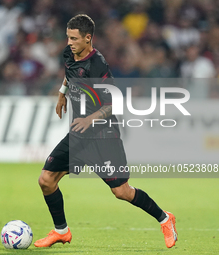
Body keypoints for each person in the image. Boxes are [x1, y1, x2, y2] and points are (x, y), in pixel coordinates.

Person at [34, 14, 178, 249]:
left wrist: (91, 118)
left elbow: (115, 103)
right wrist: (62, 93)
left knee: (121, 191)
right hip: (78, 136)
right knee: (46, 180)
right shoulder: (68, 54)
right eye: (68, 37)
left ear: (88, 38)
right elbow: (69, 74)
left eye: (74, 38)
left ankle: (165, 218)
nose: (69, 42)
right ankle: (61, 231)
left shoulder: (98, 65)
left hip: (104, 137)